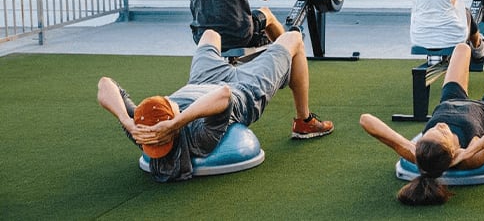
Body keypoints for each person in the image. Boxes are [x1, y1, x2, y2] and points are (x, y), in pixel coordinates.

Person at [97, 29, 333, 182]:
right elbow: (224, 95)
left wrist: (127, 121)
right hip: (245, 88)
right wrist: (177, 122)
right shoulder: (198, 140)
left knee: (210, 34)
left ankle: (243, 52)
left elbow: (105, 84)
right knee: (293, 38)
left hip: (201, 80)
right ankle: (304, 121)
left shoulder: (143, 130)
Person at [360, 42, 484, 205]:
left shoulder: (418, 153)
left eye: (431, 130)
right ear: (452, 151)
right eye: (442, 133)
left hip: (450, 100)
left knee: (462, 48)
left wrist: (409, 146)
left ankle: (478, 43)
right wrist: (468, 152)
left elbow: (366, 120)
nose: (440, 126)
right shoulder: (471, 157)